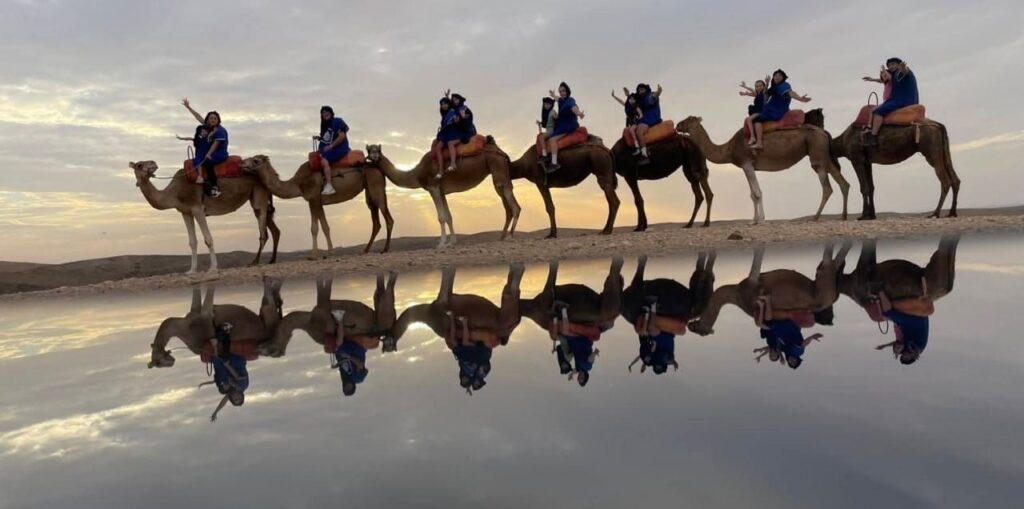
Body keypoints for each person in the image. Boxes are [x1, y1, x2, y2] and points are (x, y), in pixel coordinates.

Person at [198, 322, 249, 421]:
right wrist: (227, 365)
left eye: (235, 399)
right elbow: (236, 375)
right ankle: (226, 332)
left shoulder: (231, 390)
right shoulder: (242, 386)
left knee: (220, 374)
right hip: (237, 363)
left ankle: (215, 345)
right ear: (242, 396)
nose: (236, 397)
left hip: (229, 367)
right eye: (239, 398)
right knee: (225, 358)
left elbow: (223, 401)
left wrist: (215, 412)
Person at [750, 70, 812, 149]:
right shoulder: (774, 88)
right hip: (772, 111)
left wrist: (799, 98)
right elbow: (765, 99)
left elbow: (790, 93)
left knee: (756, 120)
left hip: (775, 113)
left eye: (779, 75)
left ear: (783, 77)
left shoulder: (783, 86)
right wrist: (767, 84)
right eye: (775, 75)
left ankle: (759, 143)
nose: (777, 77)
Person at [864, 58, 919, 147]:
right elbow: (883, 80)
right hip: (906, 100)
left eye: (893, 64)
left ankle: (873, 136)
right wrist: (872, 79)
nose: (890, 67)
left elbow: (905, 71)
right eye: (889, 65)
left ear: (898, 64)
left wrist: (903, 67)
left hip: (902, 101)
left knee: (878, 112)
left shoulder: (900, 72)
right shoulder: (895, 75)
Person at [182, 98, 229, 197]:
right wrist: (188, 107)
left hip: (220, 153)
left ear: (218, 120)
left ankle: (214, 187)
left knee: (206, 162)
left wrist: (208, 154)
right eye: (211, 118)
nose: (213, 120)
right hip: (212, 152)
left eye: (215, 118)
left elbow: (216, 143)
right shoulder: (208, 127)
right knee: (198, 161)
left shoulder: (220, 130)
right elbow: (198, 117)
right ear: (208, 119)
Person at [546, 82, 585, 173]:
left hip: (568, 126)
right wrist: (553, 95)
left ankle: (554, 163)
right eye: (560, 91)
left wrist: (579, 114)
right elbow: (557, 98)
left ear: (567, 91)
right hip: (562, 125)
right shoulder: (561, 100)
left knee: (552, 140)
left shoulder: (570, 100)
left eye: (563, 91)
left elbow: (573, 107)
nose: (561, 93)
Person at [312, 106, 351, 196]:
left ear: (331, 113)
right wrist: (319, 138)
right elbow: (328, 138)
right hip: (330, 149)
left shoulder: (337, 121)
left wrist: (331, 146)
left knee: (324, 160)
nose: (325, 114)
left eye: (327, 111)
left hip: (339, 148)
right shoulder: (325, 125)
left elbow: (342, 136)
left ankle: (329, 185)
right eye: (323, 112)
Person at [633, 83, 663, 164]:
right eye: (639, 90)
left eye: (642, 89)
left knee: (639, 132)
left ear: (646, 90)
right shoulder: (641, 101)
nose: (640, 92)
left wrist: (658, 92)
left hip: (651, 118)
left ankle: (644, 155)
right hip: (645, 119)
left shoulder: (648, 96)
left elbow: (652, 98)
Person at [433, 97, 461, 178]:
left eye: (445, 104)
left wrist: (448, 97)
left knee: (450, 144)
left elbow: (456, 116)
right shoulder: (444, 115)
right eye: (442, 104)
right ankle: (441, 170)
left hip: (454, 132)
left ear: (448, 104)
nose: (444, 105)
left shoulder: (453, 111)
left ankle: (453, 164)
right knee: (438, 147)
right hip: (445, 134)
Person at [740, 79, 767, 144]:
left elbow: (752, 90)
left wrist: (767, 83)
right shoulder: (757, 94)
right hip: (756, 111)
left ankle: (753, 137)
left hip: (761, 111)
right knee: (749, 118)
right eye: (757, 86)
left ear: (763, 86)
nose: (758, 87)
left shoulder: (764, 93)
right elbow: (751, 92)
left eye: (760, 85)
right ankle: (752, 136)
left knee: (748, 119)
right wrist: (744, 93)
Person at [536, 97, 556, 161]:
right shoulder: (546, 113)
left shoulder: (552, 111)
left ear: (551, 105)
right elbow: (547, 122)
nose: (546, 106)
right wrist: (540, 123)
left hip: (552, 130)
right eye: (545, 104)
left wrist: (556, 117)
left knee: (541, 137)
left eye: (548, 104)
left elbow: (556, 117)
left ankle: (544, 154)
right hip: (548, 130)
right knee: (540, 136)